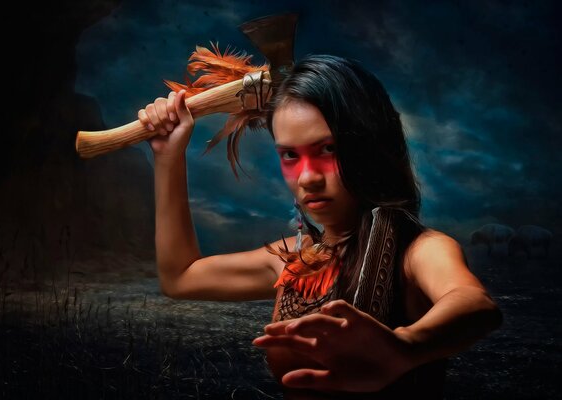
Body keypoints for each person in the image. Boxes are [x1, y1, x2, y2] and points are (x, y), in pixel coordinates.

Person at [138, 55, 502, 399]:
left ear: (370, 145)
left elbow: (473, 304)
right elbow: (181, 277)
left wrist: (405, 347)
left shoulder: (419, 250)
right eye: (290, 155)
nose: (308, 177)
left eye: (327, 149)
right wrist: (168, 157)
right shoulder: (291, 259)